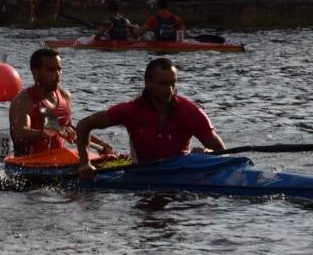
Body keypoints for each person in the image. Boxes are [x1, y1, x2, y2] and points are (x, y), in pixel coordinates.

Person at [76, 57, 226, 179]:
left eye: (173, 83)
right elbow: (83, 125)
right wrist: (85, 163)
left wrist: (208, 155)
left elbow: (222, 153)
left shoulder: (192, 111)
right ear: (148, 83)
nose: (170, 90)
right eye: (163, 84)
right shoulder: (130, 110)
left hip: (180, 174)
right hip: (141, 175)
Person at [8, 48, 114, 157]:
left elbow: (69, 128)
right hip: (27, 165)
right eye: (51, 70)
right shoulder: (24, 101)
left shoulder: (65, 96)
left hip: (57, 163)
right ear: (35, 72)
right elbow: (19, 136)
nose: (57, 74)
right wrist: (47, 132)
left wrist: (101, 145)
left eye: (59, 69)